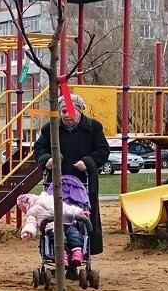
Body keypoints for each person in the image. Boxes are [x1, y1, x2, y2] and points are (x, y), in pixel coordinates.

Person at [32, 93, 110, 254]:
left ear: (80, 111)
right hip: (57, 181)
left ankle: (81, 252)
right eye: (63, 111)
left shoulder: (93, 127)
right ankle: (56, 254)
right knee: (55, 216)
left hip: (84, 181)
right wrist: (46, 159)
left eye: (71, 111)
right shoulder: (50, 128)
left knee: (82, 217)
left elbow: (103, 150)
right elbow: (39, 148)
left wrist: (88, 162)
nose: (67, 115)